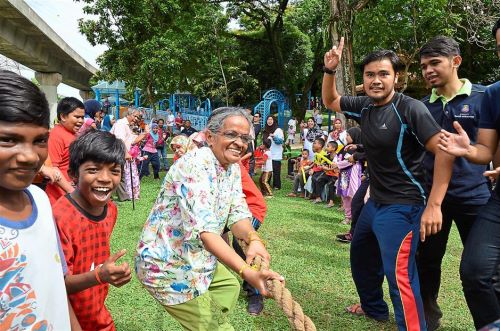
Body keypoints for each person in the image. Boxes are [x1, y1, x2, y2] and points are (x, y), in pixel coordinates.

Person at [322, 38, 454, 330]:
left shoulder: (410, 109)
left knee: (399, 274)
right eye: (370, 74)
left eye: (383, 74)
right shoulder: (365, 106)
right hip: (375, 202)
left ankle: (413, 326)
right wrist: (329, 71)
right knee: (361, 258)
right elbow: (331, 101)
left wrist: (434, 205)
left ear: (396, 77)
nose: (376, 80)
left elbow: (444, 151)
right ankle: (374, 310)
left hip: (404, 205)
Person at [135, 107, 283, 330]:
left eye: (244, 138)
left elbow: (238, 214)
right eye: (231, 135)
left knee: (229, 287)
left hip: (196, 257)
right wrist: (247, 272)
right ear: (210, 137)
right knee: (218, 328)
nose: (239, 142)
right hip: (166, 264)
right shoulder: (195, 165)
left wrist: (254, 239)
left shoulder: (232, 167)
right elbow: (207, 234)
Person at [417, 36, 490, 331]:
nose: (428, 71)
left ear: (455, 61)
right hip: (432, 200)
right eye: (423, 66)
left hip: (476, 196)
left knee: (482, 268)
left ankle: (488, 322)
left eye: (435, 63)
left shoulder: (485, 98)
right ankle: (426, 318)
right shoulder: (421, 108)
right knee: (426, 261)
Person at [437, 19, 500, 330]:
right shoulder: (495, 94)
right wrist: (467, 149)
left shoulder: (481, 94)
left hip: (477, 196)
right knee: (475, 271)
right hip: (490, 200)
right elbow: (487, 149)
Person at [0, 69, 72, 329]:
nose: (30, 156)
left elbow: (56, 288)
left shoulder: (40, 200)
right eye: (8, 139)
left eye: (40, 140)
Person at [53, 130, 132, 330]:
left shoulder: (111, 210)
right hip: (65, 318)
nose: (105, 178)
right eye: (93, 170)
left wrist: (108, 273)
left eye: (114, 171)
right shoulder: (60, 217)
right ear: (72, 174)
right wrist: (99, 276)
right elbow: (56, 284)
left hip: (96, 313)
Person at [45, 97, 85, 205]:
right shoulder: (56, 135)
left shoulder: (74, 135)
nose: (81, 121)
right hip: (59, 194)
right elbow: (52, 168)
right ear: (63, 116)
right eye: (77, 117)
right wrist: (70, 190)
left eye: (82, 117)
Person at [109, 108, 147, 201]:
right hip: (115, 151)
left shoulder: (129, 125)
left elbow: (131, 140)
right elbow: (120, 140)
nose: (137, 119)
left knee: (120, 174)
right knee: (114, 173)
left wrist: (144, 134)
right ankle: (109, 196)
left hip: (121, 151)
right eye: (136, 117)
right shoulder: (121, 124)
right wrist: (126, 153)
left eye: (138, 118)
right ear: (130, 115)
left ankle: (124, 197)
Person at [335, 127, 363, 224]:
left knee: (354, 194)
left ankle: (356, 217)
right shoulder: (345, 147)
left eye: (348, 135)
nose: (346, 137)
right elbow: (338, 157)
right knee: (345, 195)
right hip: (344, 174)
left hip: (353, 173)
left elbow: (351, 161)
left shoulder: (358, 149)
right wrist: (337, 163)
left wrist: (338, 164)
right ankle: (348, 216)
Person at [265, 116, 284, 190]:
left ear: (274, 120)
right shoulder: (266, 130)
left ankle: (277, 185)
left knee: (276, 170)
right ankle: (267, 183)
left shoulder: (278, 130)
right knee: (268, 169)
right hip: (268, 153)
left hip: (276, 153)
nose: (269, 121)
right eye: (268, 119)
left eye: (271, 119)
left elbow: (280, 141)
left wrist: (274, 137)